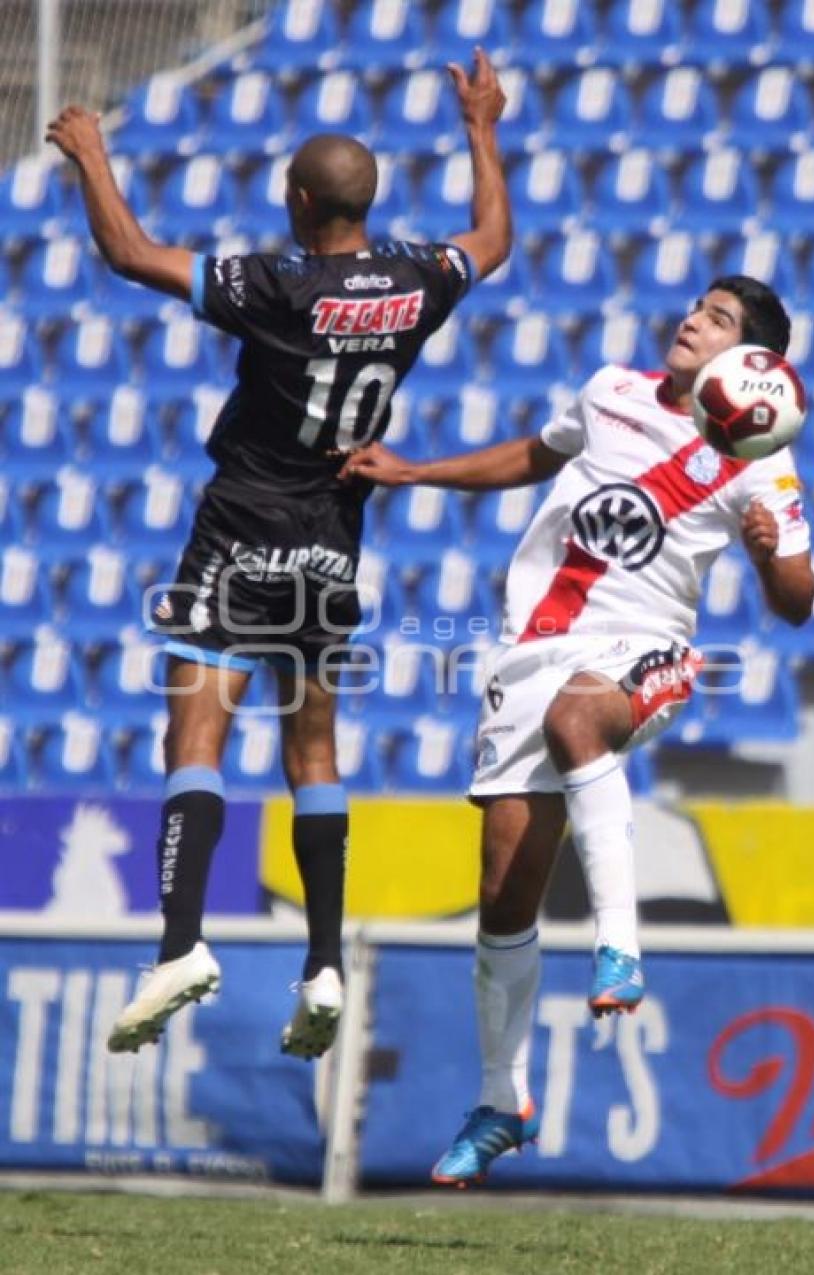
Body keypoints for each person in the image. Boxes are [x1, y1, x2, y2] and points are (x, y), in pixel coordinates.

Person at [46, 48, 510, 1059]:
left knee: (195, 738)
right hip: (336, 544)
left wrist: (90, 154)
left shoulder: (273, 284)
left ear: (299, 201)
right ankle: (324, 961)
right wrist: (482, 126)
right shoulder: (415, 279)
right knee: (313, 753)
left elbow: (130, 253)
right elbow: (492, 238)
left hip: (241, 526)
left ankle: (179, 945)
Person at [341, 275, 814, 1184]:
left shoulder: (760, 456)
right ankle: (501, 1100)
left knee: (578, 719)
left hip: (647, 651)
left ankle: (619, 946)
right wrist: (415, 470)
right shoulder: (610, 391)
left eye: (717, 318)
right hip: (534, 648)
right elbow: (532, 452)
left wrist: (765, 553)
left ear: (751, 361)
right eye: (696, 306)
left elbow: (800, 600)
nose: (690, 319)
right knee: (503, 894)